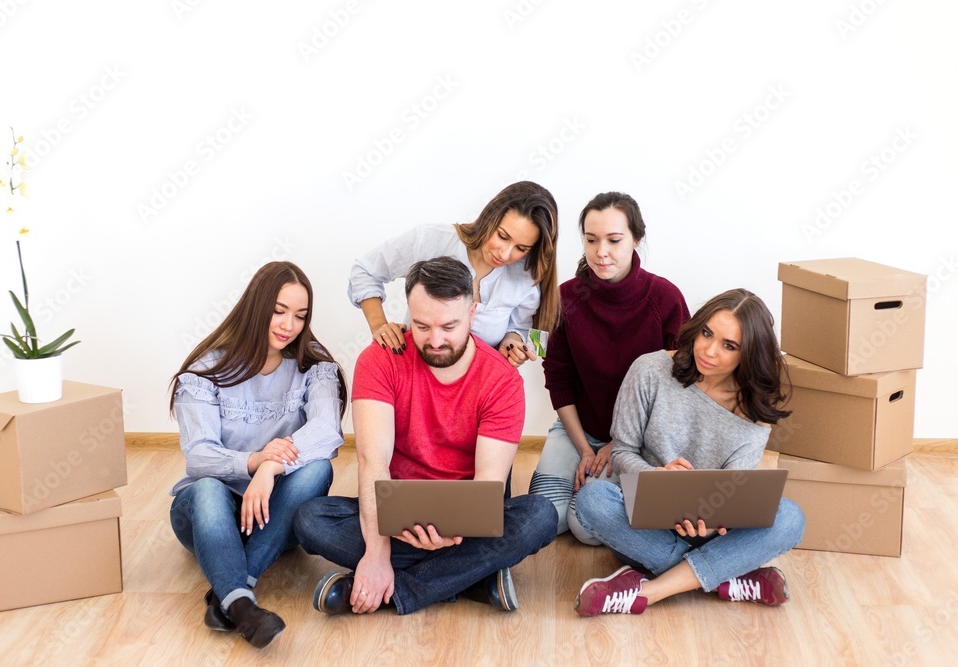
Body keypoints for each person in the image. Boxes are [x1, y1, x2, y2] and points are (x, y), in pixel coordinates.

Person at [295, 256, 557, 615]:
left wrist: (451, 532)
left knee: (540, 517)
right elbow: (373, 461)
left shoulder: (501, 379)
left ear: (472, 313)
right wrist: (377, 550)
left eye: (449, 326)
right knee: (310, 519)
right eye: (422, 326)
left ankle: (394, 589)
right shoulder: (380, 360)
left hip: (465, 522)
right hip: (394, 511)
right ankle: (471, 576)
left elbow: (489, 484)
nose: (436, 340)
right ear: (409, 313)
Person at [571, 289, 805, 616]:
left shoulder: (753, 415)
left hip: (707, 533)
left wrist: (711, 522)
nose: (708, 351)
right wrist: (656, 477)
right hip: (646, 526)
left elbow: (731, 493)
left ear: (749, 354)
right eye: (707, 333)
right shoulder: (649, 369)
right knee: (591, 499)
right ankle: (725, 575)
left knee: (791, 517)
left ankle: (649, 591)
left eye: (729, 346)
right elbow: (622, 452)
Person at [168, 261, 348, 647]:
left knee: (318, 469)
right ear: (256, 306)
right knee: (207, 488)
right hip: (208, 519)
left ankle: (232, 596)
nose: (289, 325)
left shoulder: (314, 365)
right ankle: (240, 599)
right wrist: (253, 461)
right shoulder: (208, 369)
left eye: (300, 315)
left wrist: (270, 467)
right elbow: (199, 457)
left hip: (274, 517)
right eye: (279, 311)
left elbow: (325, 433)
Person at [528, 191, 689, 540]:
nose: (601, 252)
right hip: (579, 429)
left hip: (638, 439)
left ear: (636, 240)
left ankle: (603, 496)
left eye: (614, 240)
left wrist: (619, 445)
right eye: (591, 240)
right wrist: (585, 450)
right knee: (540, 520)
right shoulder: (565, 298)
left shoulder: (666, 299)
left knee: (584, 528)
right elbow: (558, 379)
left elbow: (678, 390)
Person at [347, 181, 560, 368]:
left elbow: (529, 332)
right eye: (502, 236)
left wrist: (513, 344)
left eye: (521, 248)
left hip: (478, 386)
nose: (504, 254)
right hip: (413, 374)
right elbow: (364, 270)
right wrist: (379, 326)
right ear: (489, 218)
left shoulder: (528, 275)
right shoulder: (430, 239)